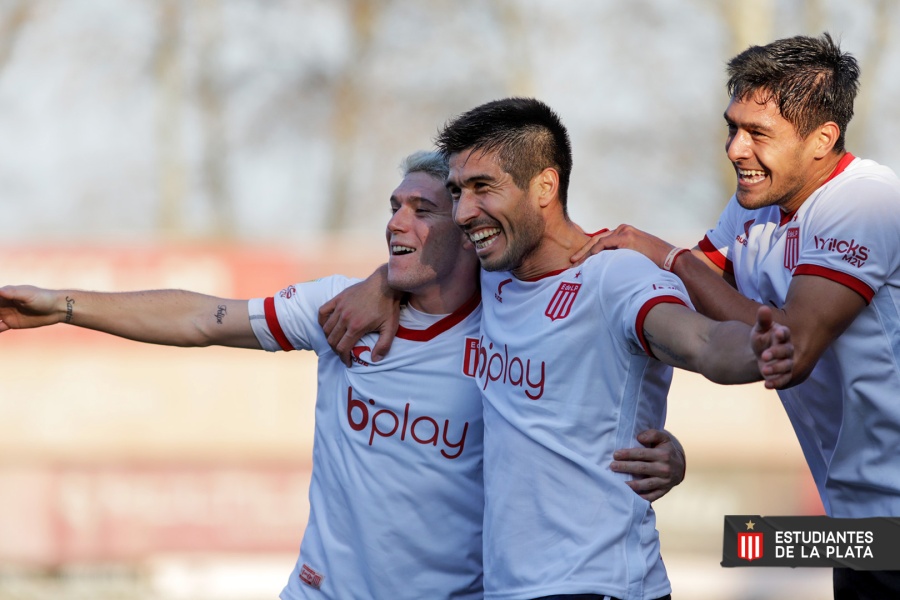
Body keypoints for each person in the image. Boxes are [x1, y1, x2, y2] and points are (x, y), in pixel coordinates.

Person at [0, 151, 693, 600]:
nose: (397, 222)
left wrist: (670, 452)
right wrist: (64, 305)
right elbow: (204, 319)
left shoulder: (516, 323)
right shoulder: (344, 313)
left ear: (469, 227)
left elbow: (599, 403)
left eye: (423, 211)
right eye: (393, 207)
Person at [319, 99, 794, 600]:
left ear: (545, 186)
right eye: (457, 192)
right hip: (507, 589)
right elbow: (425, 264)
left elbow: (701, 340)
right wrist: (380, 283)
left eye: (483, 188)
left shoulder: (613, 275)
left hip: (597, 584)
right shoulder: (493, 273)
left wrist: (757, 349)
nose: (463, 212)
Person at [580, 33, 900, 599]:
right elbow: (676, 295)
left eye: (758, 133)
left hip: (888, 525)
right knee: (750, 545)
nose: (734, 148)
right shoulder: (757, 206)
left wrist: (671, 254)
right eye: (733, 126)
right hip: (858, 529)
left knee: (748, 546)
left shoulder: (867, 201)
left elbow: (790, 350)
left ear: (824, 138)